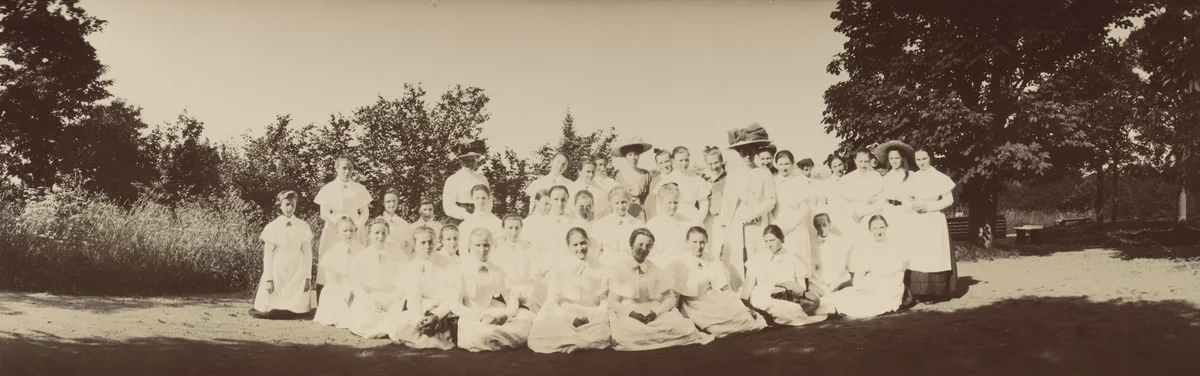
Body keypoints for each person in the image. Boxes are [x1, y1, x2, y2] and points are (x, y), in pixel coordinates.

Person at [607, 228, 713, 351]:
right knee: (628, 332)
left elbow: (670, 298)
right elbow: (612, 301)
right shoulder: (619, 269)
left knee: (680, 326)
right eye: (640, 244)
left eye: (648, 245)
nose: (644, 249)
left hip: (654, 309)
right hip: (629, 310)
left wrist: (656, 313)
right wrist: (630, 314)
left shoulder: (656, 270)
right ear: (631, 244)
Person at [669, 227, 767, 338]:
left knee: (743, 317)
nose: (698, 246)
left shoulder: (713, 261)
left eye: (702, 242)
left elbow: (726, 289)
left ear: (706, 242)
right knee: (716, 327)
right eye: (694, 242)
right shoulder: (679, 262)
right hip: (694, 303)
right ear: (687, 242)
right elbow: (674, 293)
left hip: (715, 298)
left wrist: (742, 307)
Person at [528, 227, 613, 353]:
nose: (580, 248)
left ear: (588, 242)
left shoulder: (600, 267)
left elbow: (603, 299)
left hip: (591, 311)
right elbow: (552, 301)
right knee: (547, 332)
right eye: (575, 245)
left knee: (602, 334)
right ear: (568, 247)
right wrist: (570, 318)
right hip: (566, 310)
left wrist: (593, 317)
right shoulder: (560, 268)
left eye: (583, 243)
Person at [716, 123, 778, 295]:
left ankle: (758, 294)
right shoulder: (734, 174)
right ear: (739, 154)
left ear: (756, 153)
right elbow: (727, 201)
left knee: (756, 258)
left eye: (751, 153)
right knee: (737, 258)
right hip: (736, 223)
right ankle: (739, 295)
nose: (748, 157)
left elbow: (770, 200)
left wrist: (753, 214)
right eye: (744, 153)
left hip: (756, 223)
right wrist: (724, 225)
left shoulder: (764, 173)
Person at [452, 228, 536, 352]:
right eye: (477, 245)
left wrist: (505, 315)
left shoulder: (497, 269)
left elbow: (510, 298)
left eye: (486, 245)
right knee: (482, 335)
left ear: (492, 246)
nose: (482, 250)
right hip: (473, 314)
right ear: (470, 246)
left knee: (528, 320)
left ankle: (503, 337)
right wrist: (480, 317)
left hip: (494, 310)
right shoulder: (462, 269)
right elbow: (455, 304)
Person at [821, 215, 907, 318]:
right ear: (870, 230)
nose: (879, 231)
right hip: (871, 282)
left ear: (886, 228)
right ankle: (817, 305)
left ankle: (825, 309)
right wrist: (859, 286)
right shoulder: (868, 247)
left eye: (882, 227)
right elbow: (860, 270)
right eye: (875, 228)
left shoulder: (894, 246)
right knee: (846, 294)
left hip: (889, 286)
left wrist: (890, 291)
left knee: (864, 303)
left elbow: (899, 275)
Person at [251, 190, 317, 319]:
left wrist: (308, 277)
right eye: (286, 204)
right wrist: (269, 279)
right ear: (279, 205)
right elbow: (268, 254)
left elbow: (308, 254)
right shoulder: (273, 226)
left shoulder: (303, 226)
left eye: (293, 204)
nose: (290, 208)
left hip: (298, 266)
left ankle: (296, 308)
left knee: (298, 303)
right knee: (272, 297)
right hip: (279, 266)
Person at [904, 146, 958, 303]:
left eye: (924, 159)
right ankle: (918, 292)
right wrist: (912, 206)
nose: (921, 163)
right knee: (918, 253)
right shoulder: (912, 178)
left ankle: (932, 292)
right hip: (917, 220)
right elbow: (906, 200)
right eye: (918, 159)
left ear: (931, 158)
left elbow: (949, 200)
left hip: (933, 219)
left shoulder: (939, 177)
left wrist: (928, 207)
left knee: (932, 253)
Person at [391, 226, 459, 350]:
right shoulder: (410, 268)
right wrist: (419, 319)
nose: (427, 247)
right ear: (415, 245)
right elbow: (413, 297)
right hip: (421, 308)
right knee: (404, 326)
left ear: (437, 243)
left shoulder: (449, 264)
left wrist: (437, 315)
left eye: (431, 242)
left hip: (444, 308)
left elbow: (452, 296)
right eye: (423, 243)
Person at [745, 225, 828, 327]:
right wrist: (744, 303)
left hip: (787, 294)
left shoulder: (792, 258)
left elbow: (801, 286)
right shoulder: (757, 258)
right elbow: (748, 284)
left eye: (772, 240)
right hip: (763, 294)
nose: (769, 245)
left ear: (782, 239)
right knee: (773, 306)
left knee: (795, 308)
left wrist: (794, 295)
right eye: (766, 241)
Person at [314, 156, 372, 289]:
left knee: (356, 258)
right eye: (344, 168)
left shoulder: (359, 188)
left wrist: (358, 225)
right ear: (337, 169)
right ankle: (330, 291)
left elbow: (365, 212)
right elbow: (324, 213)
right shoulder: (329, 188)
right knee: (333, 258)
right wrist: (339, 225)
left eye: (350, 168)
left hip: (355, 229)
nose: (346, 172)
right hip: (335, 229)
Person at [345, 219, 405, 339]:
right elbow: (357, 284)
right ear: (369, 235)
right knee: (365, 318)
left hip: (392, 296)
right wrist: (372, 301)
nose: (380, 236)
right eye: (376, 233)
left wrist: (389, 300)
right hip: (370, 297)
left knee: (399, 314)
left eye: (384, 233)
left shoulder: (398, 253)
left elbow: (404, 279)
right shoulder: (362, 256)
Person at [491, 214, 547, 313]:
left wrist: (528, 292)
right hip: (508, 297)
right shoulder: (497, 254)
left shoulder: (530, 249)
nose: (514, 232)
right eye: (510, 228)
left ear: (521, 228)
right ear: (503, 229)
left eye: (517, 228)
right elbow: (498, 281)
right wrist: (511, 297)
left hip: (530, 294)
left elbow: (537, 273)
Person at [313, 216, 360, 327]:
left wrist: (356, 290)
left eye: (351, 230)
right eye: (345, 231)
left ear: (355, 230)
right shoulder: (332, 253)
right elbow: (331, 281)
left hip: (356, 288)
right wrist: (344, 293)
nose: (348, 234)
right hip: (338, 288)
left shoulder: (361, 250)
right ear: (337, 232)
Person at [773, 150, 814, 268]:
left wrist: (791, 226)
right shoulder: (773, 181)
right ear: (776, 164)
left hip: (797, 225)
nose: (784, 168)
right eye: (780, 164)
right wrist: (776, 226)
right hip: (779, 224)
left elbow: (805, 208)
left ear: (792, 164)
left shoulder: (801, 181)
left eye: (787, 164)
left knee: (800, 258)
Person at [651, 146, 712, 225]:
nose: (684, 163)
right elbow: (659, 205)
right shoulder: (666, 180)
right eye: (681, 160)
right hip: (673, 221)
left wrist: (697, 221)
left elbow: (704, 204)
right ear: (673, 161)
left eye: (686, 160)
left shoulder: (697, 179)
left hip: (693, 219)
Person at [840, 148, 885, 245]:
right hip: (854, 217)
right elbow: (842, 201)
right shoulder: (847, 179)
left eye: (866, 161)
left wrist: (863, 211)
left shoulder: (876, 177)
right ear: (855, 161)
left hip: (872, 215)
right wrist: (853, 212)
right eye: (860, 161)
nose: (863, 165)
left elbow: (881, 200)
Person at [875, 140, 917, 245]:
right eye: (891, 158)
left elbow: (915, 196)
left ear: (903, 158)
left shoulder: (911, 175)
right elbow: (882, 196)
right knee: (891, 240)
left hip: (905, 211)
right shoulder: (886, 177)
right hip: (889, 211)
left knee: (905, 240)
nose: (894, 161)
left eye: (897, 158)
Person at [592, 187, 645, 267]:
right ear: (610, 203)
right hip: (607, 265)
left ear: (629, 201)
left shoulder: (638, 225)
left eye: (623, 202)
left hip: (629, 266)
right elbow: (594, 251)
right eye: (617, 203)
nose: (621, 206)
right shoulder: (601, 224)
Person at [443, 139, 490, 226]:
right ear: (460, 161)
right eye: (466, 161)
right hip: (460, 219)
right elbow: (448, 206)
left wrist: (483, 215)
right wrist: (466, 215)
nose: (470, 163)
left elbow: (489, 201)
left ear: (476, 160)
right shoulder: (453, 180)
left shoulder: (482, 179)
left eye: (472, 160)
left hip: (480, 218)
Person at [645, 183, 690, 268]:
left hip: (681, 265)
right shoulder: (652, 225)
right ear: (661, 202)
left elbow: (688, 248)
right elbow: (649, 252)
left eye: (675, 203)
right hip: (660, 265)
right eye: (669, 202)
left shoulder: (684, 222)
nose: (673, 206)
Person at [611, 137, 654, 221]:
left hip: (642, 214)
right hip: (624, 213)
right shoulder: (619, 175)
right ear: (625, 156)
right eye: (630, 154)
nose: (633, 158)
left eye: (636, 154)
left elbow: (650, 199)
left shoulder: (646, 175)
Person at [810, 213, 853, 294]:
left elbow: (841, 264)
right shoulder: (813, 244)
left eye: (824, 225)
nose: (821, 228)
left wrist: (832, 282)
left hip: (838, 277)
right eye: (818, 226)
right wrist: (820, 280)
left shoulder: (839, 241)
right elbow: (813, 265)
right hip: (821, 279)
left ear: (830, 224)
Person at [457, 184, 503, 258]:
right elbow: (463, 250)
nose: (480, 201)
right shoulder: (465, 224)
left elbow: (500, 247)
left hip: (493, 262)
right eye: (477, 198)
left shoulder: (497, 222)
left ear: (488, 198)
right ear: (472, 199)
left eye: (483, 198)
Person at [376, 187, 414, 259]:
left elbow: (409, 244)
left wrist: (406, 258)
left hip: (400, 261)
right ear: (382, 202)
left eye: (394, 201)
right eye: (388, 201)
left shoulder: (403, 223)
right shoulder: (377, 222)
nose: (392, 204)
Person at [642, 148, 674, 220]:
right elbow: (651, 204)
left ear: (672, 161)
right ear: (657, 165)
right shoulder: (655, 182)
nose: (664, 165)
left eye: (667, 161)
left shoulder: (678, 178)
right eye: (661, 163)